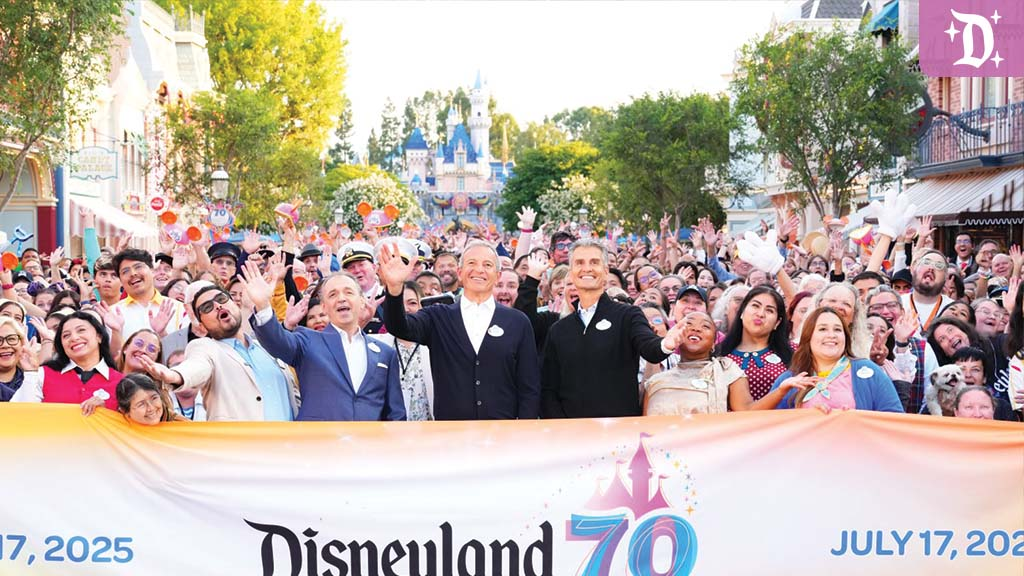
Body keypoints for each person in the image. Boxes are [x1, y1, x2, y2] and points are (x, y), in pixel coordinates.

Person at [380, 240, 539, 420]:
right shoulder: (437, 317)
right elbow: (399, 327)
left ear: (497, 275)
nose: (479, 270)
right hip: (451, 435)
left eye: (487, 265)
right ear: (460, 273)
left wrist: (526, 431)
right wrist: (394, 288)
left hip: (502, 436)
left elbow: (529, 387)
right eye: (472, 263)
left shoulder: (517, 322)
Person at [541, 239, 688, 418]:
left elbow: (650, 348)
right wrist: (562, 427)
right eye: (579, 263)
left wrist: (666, 343)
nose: (587, 268)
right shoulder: (558, 330)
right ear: (571, 273)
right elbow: (549, 388)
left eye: (594, 262)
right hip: (572, 436)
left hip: (620, 435)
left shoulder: (628, 315)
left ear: (605, 271)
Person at [246, 263, 405, 422]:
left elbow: (395, 413)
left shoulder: (385, 353)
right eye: (333, 295)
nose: (341, 298)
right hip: (319, 442)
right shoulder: (307, 341)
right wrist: (263, 305)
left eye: (348, 292)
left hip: (367, 444)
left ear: (362, 301)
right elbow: (276, 341)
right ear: (324, 307)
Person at [137, 283, 299, 422]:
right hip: (243, 452)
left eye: (221, 299)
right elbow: (196, 367)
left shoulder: (267, 348)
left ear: (235, 304)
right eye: (207, 307)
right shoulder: (205, 348)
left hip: (289, 450)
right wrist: (175, 376)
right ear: (201, 326)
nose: (217, 306)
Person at [643, 311, 806, 415]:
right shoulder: (656, 382)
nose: (696, 329)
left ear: (714, 342)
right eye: (688, 325)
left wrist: (781, 390)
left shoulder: (727, 369)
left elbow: (747, 411)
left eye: (705, 326)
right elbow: (640, 428)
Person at [771, 307, 904, 413]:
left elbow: (893, 420)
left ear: (845, 337)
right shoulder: (789, 380)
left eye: (837, 330)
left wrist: (855, 420)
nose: (831, 335)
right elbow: (771, 427)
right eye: (822, 329)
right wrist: (807, 417)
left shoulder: (869, 371)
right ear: (808, 336)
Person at [12, 311, 122, 410]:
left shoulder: (121, 382)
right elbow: (21, 413)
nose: (74, 338)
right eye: (66, 335)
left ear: (99, 336)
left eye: (81, 330)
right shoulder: (43, 374)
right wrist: (30, 373)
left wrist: (106, 411)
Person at [371, 282, 434, 421]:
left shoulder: (434, 345)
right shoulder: (377, 344)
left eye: (412, 303)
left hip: (428, 432)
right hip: (389, 430)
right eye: (400, 303)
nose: (405, 309)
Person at [718, 286, 793, 401]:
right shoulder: (719, 354)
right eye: (755, 306)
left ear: (777, 322)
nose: (760, 314)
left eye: (769, 310)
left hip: (783, 418)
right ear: (742, 312)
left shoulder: (793, 352)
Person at [112, 249, 188, 337]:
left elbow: (184, 348)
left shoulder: (180, 309)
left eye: (138, 267)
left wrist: (162, 333)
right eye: (125, 271)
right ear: (120, 280)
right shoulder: (112, 314)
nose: (133, 273)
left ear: (152, 271)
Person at [82, 373, 186, 424]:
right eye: (141, 404)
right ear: (125, 411)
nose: (151, 408)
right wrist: (101, 415)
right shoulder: (118, 430)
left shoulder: (178, 423)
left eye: (154, 398)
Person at [902, 249, 953, 334]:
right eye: (926, 262)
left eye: (939, 265)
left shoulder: (952, 309)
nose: (931, 268)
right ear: (914, 269)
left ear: (945, 277)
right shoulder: (898, 303)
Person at [0, 317, 38, 401]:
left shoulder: (37, 379)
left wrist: (31, 373)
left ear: (22, 343)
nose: (5, 345)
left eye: (11, 339)